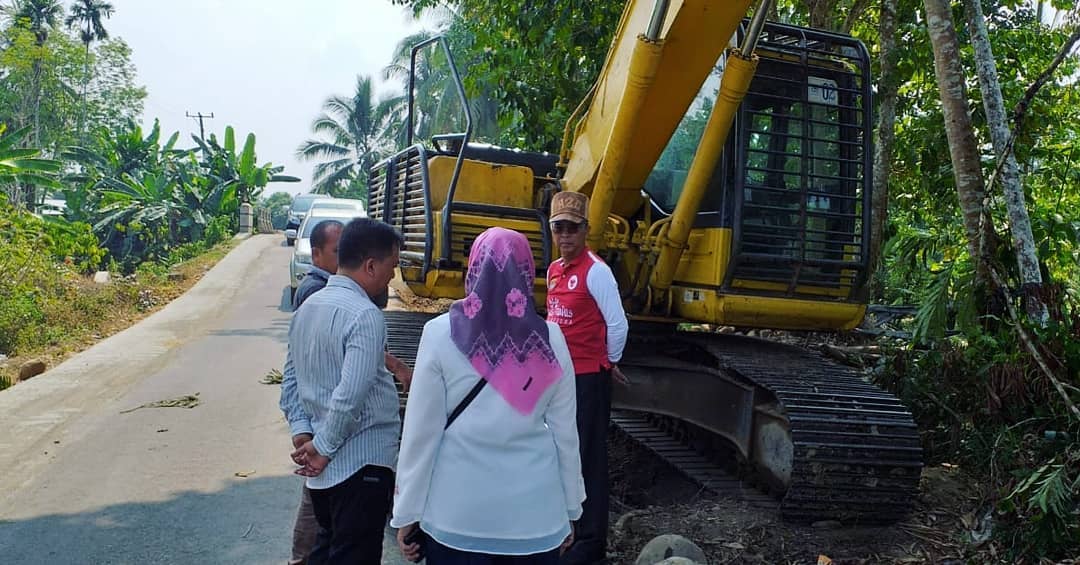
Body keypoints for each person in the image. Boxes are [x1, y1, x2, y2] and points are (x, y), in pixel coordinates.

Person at [392, 227, 585, 565]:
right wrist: (571, 507)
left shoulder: (439, 335)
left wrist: (406, 512)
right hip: (534, 519)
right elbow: (565, 434)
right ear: (527, 272)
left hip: (457, 516)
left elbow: (421, 435)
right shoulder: (552, 339)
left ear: (474, 269)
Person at [284, 218, 413, 565]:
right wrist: (322, 448)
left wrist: (303, 433)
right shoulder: (365, 316)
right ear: (371, 266)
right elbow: (349, 396)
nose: (392, 277)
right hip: (361, 465)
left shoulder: (306, 308)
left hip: (325, 473)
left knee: (327, 554)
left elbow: (290, 381)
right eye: (392, 266)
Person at [544, 191, 629, 565]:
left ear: (586, 230)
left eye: (572, 229)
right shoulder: (554, 270)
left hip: (588, 380)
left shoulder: (596, 272)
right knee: (562, 453)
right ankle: (563, 531)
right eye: (559, 228)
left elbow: (617, 324)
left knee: (588, 458)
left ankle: (590, 542)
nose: (565, 237)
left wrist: (608, 362)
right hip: (559, 379)